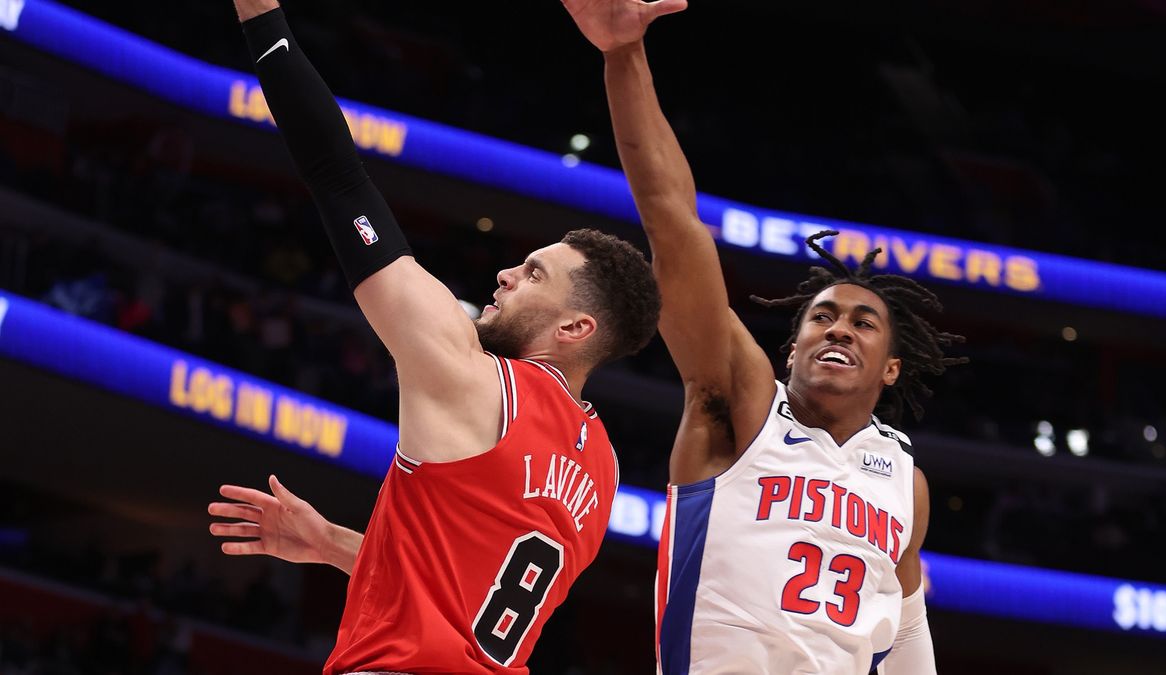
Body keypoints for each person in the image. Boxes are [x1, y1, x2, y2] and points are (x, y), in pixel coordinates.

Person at [208, 2, 661, 673]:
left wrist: (260, 18)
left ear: (575, 328)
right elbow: (462, 600)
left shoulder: (471, 373)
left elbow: (337, 176)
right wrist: (332, 542)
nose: (505, 275)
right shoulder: (602, 470)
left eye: (533, 274)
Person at [562, 1, 966, 673]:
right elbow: (672, 224)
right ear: (792, 348)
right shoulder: (740, 402)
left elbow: (907, 626)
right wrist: (622, 56)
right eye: (821, 316)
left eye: (862, 322)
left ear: (892, 368)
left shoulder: (904, 480)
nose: (838, 326)